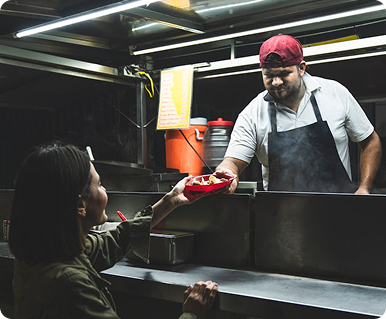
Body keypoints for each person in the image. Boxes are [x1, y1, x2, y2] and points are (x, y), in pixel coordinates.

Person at [8, 142, 218, 319]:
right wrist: (192, 313)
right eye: (100, 185)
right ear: (80, 205)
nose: (105, 191)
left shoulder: (43, 253)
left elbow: (117, 239)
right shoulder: (69, 285)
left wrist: (171, 200)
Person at [216, 33, 382, 194]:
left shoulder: (335, 93)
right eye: (269, 75)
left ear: (301, 68)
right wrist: (225, 173)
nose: (276, 82)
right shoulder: (253, 113)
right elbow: (232, 162)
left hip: (337, 209)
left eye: (284, 74)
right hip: (280, 216)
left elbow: (370, 141)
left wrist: (364, 187)